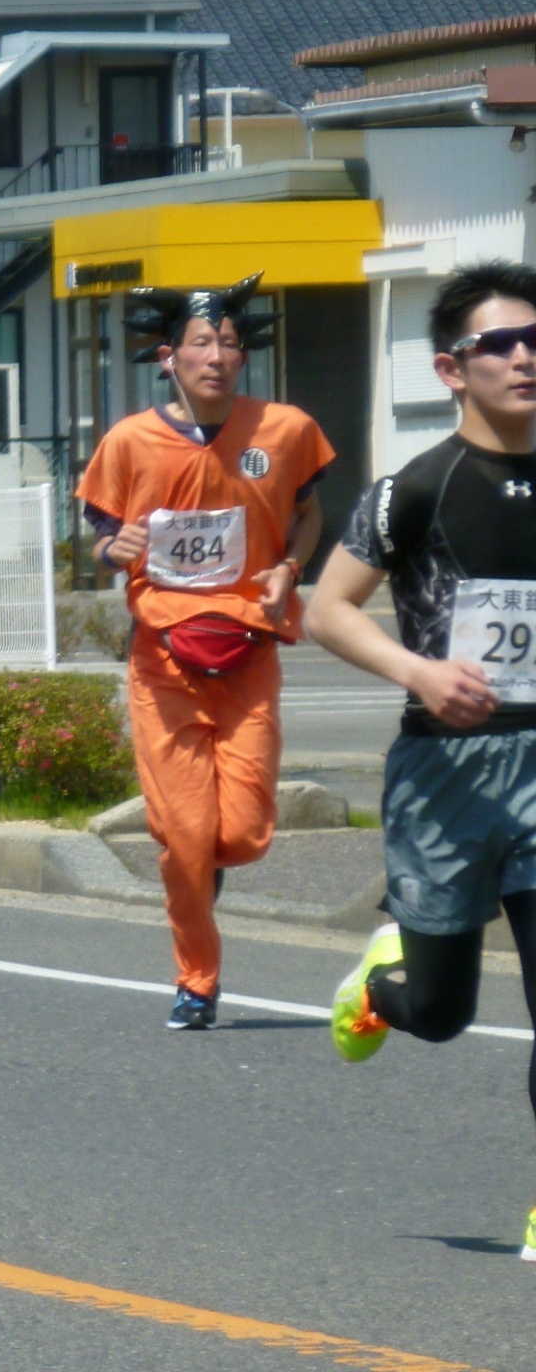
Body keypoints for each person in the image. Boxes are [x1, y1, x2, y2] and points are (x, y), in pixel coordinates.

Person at [307, 261, 536, 1264]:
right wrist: (421, 672)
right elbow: (325, 609)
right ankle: (381, 985)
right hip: (446, 771)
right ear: (452, 367)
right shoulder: (415, 488)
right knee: (441, 1015)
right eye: (501, 344)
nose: (526, 357)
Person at [76, 273, 332, 1030]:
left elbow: (309, 512)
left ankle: (202, 872)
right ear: (168, 357)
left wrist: (291, 565)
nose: (217, 355)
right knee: (186, 839)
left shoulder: (284, 430)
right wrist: (112, 549)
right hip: (163, 656)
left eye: (229, 342)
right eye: (200, 343)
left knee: (242, 835)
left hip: (251, 648)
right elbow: (102, 542)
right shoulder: (129, 441)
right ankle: (197, 979)